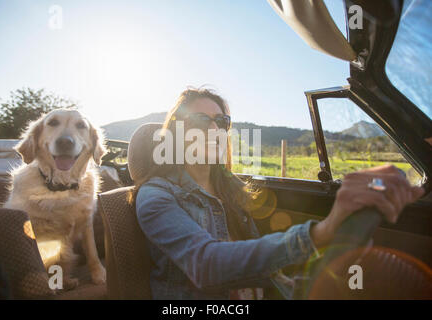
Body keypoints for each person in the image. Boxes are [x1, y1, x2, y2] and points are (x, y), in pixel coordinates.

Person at [134, 87, 425, 299]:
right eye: (199, 121)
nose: (213, 129)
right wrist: (319, 233)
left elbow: (257, 260)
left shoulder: (232, 188)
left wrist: (309, 280)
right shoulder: (156, 196)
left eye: (222, 122)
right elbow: (207, 264)